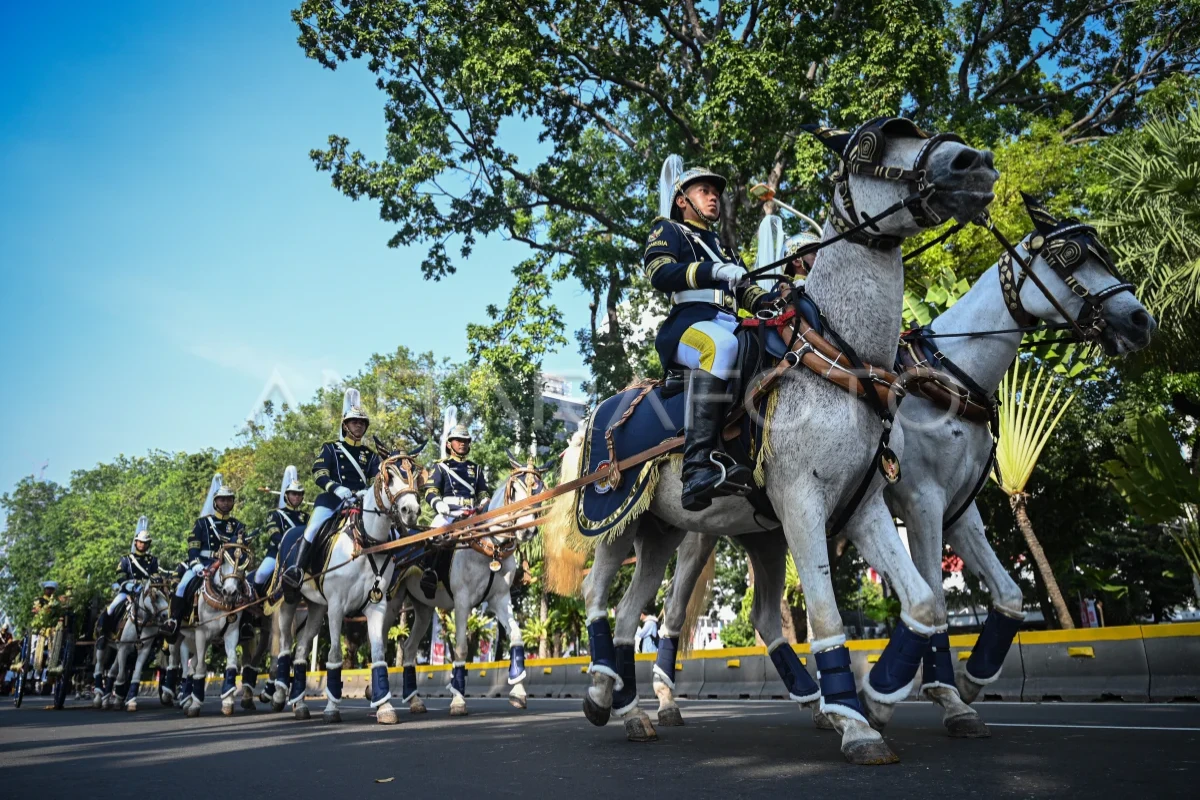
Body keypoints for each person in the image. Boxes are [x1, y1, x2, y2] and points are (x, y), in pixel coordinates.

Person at [646, 161, 776, 510]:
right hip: (689, 324)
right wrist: (711, 270)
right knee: (721, 345)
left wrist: (773, 299)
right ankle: (697, 466)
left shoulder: (725, 246)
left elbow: (747, 291)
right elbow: (659, 273)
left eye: (716, 193)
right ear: (683, 200)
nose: (713, 197)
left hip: (729, 319)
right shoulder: (670, 230)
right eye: (704, 191)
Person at [286, 388, 380, 587]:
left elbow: (380, 477)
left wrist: (369, 490)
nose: (359, 425)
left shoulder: (370, 454)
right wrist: (336, 488)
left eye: (362, 422)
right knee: (312, 530)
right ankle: (297, 571)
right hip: (332, 501)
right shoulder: (331, 448)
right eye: (354, 422)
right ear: (345, 425)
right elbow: (319, 472)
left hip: (361, 502)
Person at [163, 475, 248, 639]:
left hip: (227, 566)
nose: (225, 503)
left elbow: (242, 551)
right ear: (215, 502)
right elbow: (193, 547)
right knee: (182, 586)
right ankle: (174, 620)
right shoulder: (202, 523)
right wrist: (196, 565)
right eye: (222, 500)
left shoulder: (239, 526)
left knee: (247, 588)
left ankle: (245, 624)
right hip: (202, 564)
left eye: (229, 500)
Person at [419, 423, 491, 598]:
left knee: (498, 532)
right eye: (458, 440)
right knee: (434, 536)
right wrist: (439, 505)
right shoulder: (440, 466)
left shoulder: (476, 469)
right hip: (448, 513)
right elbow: (430, 491)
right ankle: (430, 573)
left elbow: (482, 492)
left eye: (466, 441)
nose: (463, 444)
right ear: (449, 444)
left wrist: (484, 501)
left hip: (472, 513)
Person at [95, 516, 160, 652]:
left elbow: (155, 574)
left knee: (159, 608)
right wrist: (128, 585)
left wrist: (157, 581)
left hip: (145, 590)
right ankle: (103, 634)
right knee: (112, 607)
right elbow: (120, 574)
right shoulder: (126, 559)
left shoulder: (152, 560)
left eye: (145, 543)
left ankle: (158, 638)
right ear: (135, 543)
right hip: (127, 591)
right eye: (140, 542)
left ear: (148, 544)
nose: (142, 545)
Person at [252, 465, 309, 597]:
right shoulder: (275, 514)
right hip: (277, 553)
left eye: (300, 494)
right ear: (287, 495)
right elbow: (274, 534)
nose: (297, 497)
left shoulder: (306, 517)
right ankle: (256, 601)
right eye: (294, 494)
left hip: (300, 554)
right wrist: (286, 547)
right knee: (261, 574)